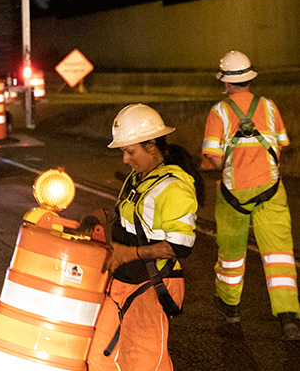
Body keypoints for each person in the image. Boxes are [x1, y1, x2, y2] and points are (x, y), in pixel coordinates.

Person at [85, 103, 205, 371]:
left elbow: (180, 246)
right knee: (98, 357)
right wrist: (100, 215)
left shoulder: (174, 188)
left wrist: (130, 253)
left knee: (144, 363)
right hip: (123, 282)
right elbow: (129, 211)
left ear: (150, 144)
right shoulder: (139, 177)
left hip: (150, 284)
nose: (125, 159)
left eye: (129, 151)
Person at [201, 50, 300, 341]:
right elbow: (281, 144)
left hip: (234, 196)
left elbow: (213, 159)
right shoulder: (269, 106)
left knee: (231, 255)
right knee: (279, 255)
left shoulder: (218, 111)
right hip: (271, 191)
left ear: (225, 82)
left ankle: (231, 309)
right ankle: (289, 319)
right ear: (249, 78)